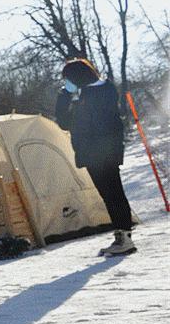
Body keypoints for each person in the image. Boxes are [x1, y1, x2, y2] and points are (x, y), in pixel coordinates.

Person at [55, 57, 137, 256]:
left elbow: (72, 122)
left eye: (68, 79)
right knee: (109, 194)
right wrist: (67, 95)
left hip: (101, 152)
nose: (67, 83)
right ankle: (121, 236)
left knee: (113, 193)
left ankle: (124, 238)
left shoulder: (96, 93)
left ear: (77, 77)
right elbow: (65, 123)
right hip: (96, 152)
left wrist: (69, 96)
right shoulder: (94, 92)